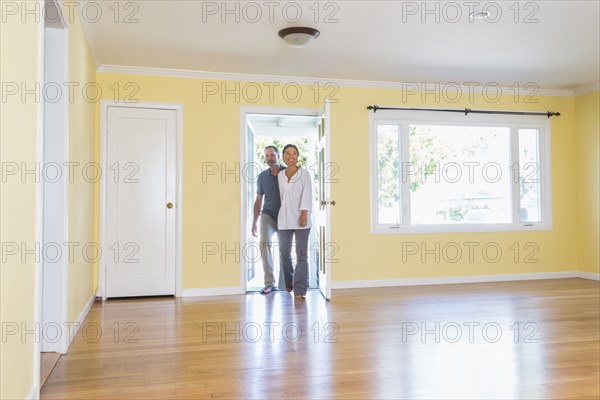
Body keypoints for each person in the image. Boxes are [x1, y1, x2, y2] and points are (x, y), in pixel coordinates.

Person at [277, 144, 313, 300]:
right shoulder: (281, 175)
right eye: (287, 154)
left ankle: (300, 289)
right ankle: (289, 281)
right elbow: (282, 197)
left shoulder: (304, 174)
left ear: (298, 156)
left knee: (301, 254)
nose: (291, 156)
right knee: (284, 252)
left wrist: (304, 213)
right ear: (283, 156)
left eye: (294, 154)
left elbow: (307, 193)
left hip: (301, 218)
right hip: (284, 218)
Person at [252, 146, 285, 294]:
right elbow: (259, 200)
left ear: (278, 156)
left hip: (286, 216)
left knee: (285, 249)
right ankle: (269, 282)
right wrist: (254, 222)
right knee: (264, 242)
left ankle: (285, 284)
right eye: (267, 156)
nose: (270, 158)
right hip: (268, 215)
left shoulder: (288, 172)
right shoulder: (262, 177)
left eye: (272, 155)